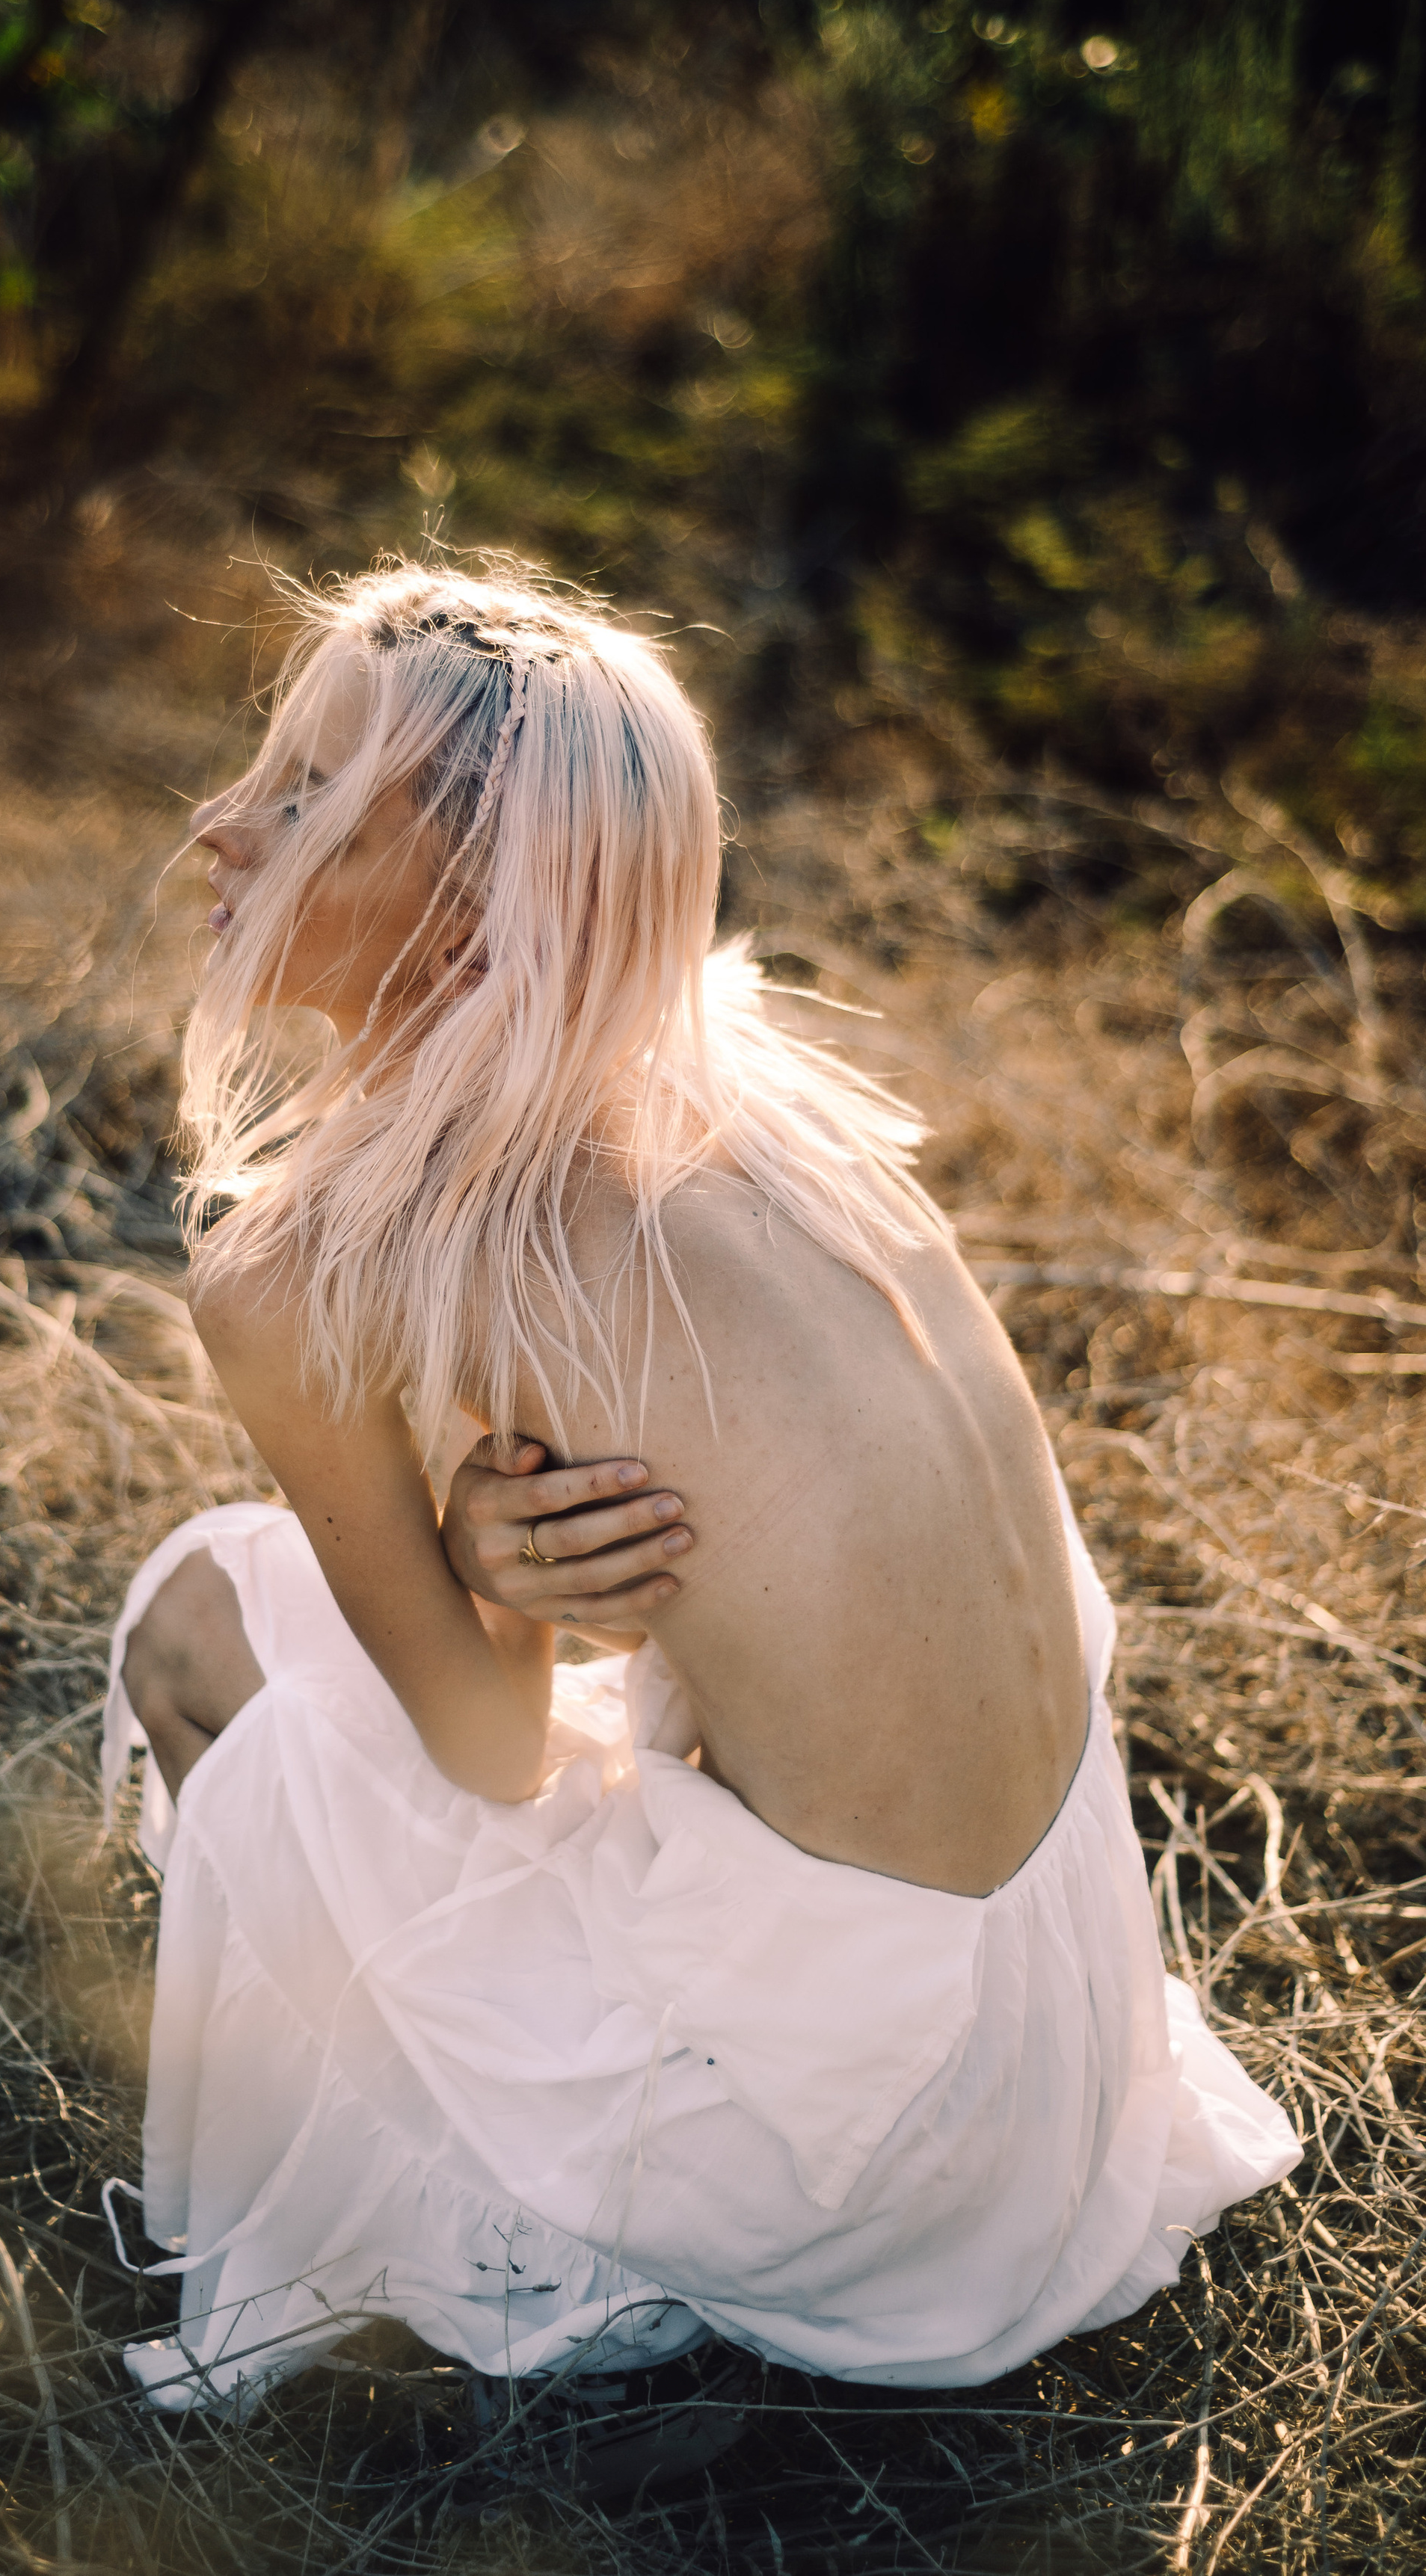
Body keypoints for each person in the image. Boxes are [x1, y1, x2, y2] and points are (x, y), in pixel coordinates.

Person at [99, 559, 1297, 2412]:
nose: (221, 823)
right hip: (1052, 2075)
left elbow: (485, 1751)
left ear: (469, 904)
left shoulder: (312, 1267)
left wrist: (487, 1574)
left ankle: (479, 2207)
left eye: (306, 792)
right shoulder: (760, 1107)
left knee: (199, 1609)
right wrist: (501, 1543)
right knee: (433, 1635)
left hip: (849, 2182)